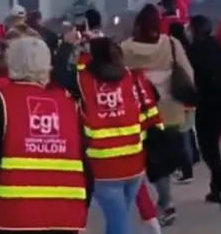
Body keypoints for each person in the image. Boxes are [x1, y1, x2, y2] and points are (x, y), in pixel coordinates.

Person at [0, 36, 91, 234]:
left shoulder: (0, 100)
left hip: (10, 217)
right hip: (66, 219)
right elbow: (85, 166)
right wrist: (81, 209)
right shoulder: (68, 104)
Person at [69, 37, 160, 234]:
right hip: (134, 162)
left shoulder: (81, 80)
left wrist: (74, 50)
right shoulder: (131, 77)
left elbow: (61, 79)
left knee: (118, 222)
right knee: (119, 219)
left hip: (103, 166)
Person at [120, 3, 195, 226]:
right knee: (165, 158)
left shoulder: (125, 49)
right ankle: (165, 200)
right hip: (171, 111)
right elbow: (188, 73)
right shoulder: (171, 44)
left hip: (140, 114)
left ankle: (160, 201)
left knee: (150, 160)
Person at [184, 14, 221, 209]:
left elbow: (190, 78)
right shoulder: (219, 47)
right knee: (212, 145)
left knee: (207, 148)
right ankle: (216, 189)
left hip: (208, 102)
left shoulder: (193, 51)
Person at [166, 21, 198, 184]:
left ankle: (186, 170)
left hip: (179, 98)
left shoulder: (174, 52)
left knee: (181, 136)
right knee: (187, 133)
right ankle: (191, 161)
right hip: (190, 96)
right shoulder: (192, 49)